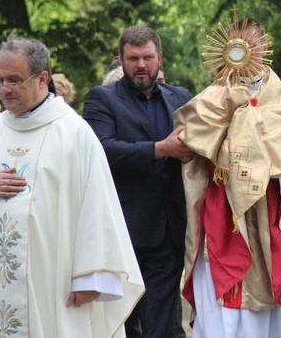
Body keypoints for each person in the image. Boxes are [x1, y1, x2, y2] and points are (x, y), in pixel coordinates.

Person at [0, 36, 145, 337]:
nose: (5, 89)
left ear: (43, 78)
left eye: (15, 80)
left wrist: (91, 277)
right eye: (1, 80)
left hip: (54, 277)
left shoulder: (74, 132)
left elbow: (98, 205)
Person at [175, 16, 281, 337]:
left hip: (272, 207)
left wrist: (249, 122)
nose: (245, 49)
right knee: (222, 289)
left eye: (253, 43)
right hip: (223, 208)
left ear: (264, 46)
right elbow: (190, 137)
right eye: (238, 43)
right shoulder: (212, 98)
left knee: (277, 290)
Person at [83, 25, 193, 338]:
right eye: (133, 58)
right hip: (123, 228)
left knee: (161, 324)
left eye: (147, 57)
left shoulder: (181, 97)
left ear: (159, 58)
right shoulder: (102, 99)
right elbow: (101, 149)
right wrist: (161, 149)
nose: (141, 65)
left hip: (170, 228)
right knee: (121, 323)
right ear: (121, 60)